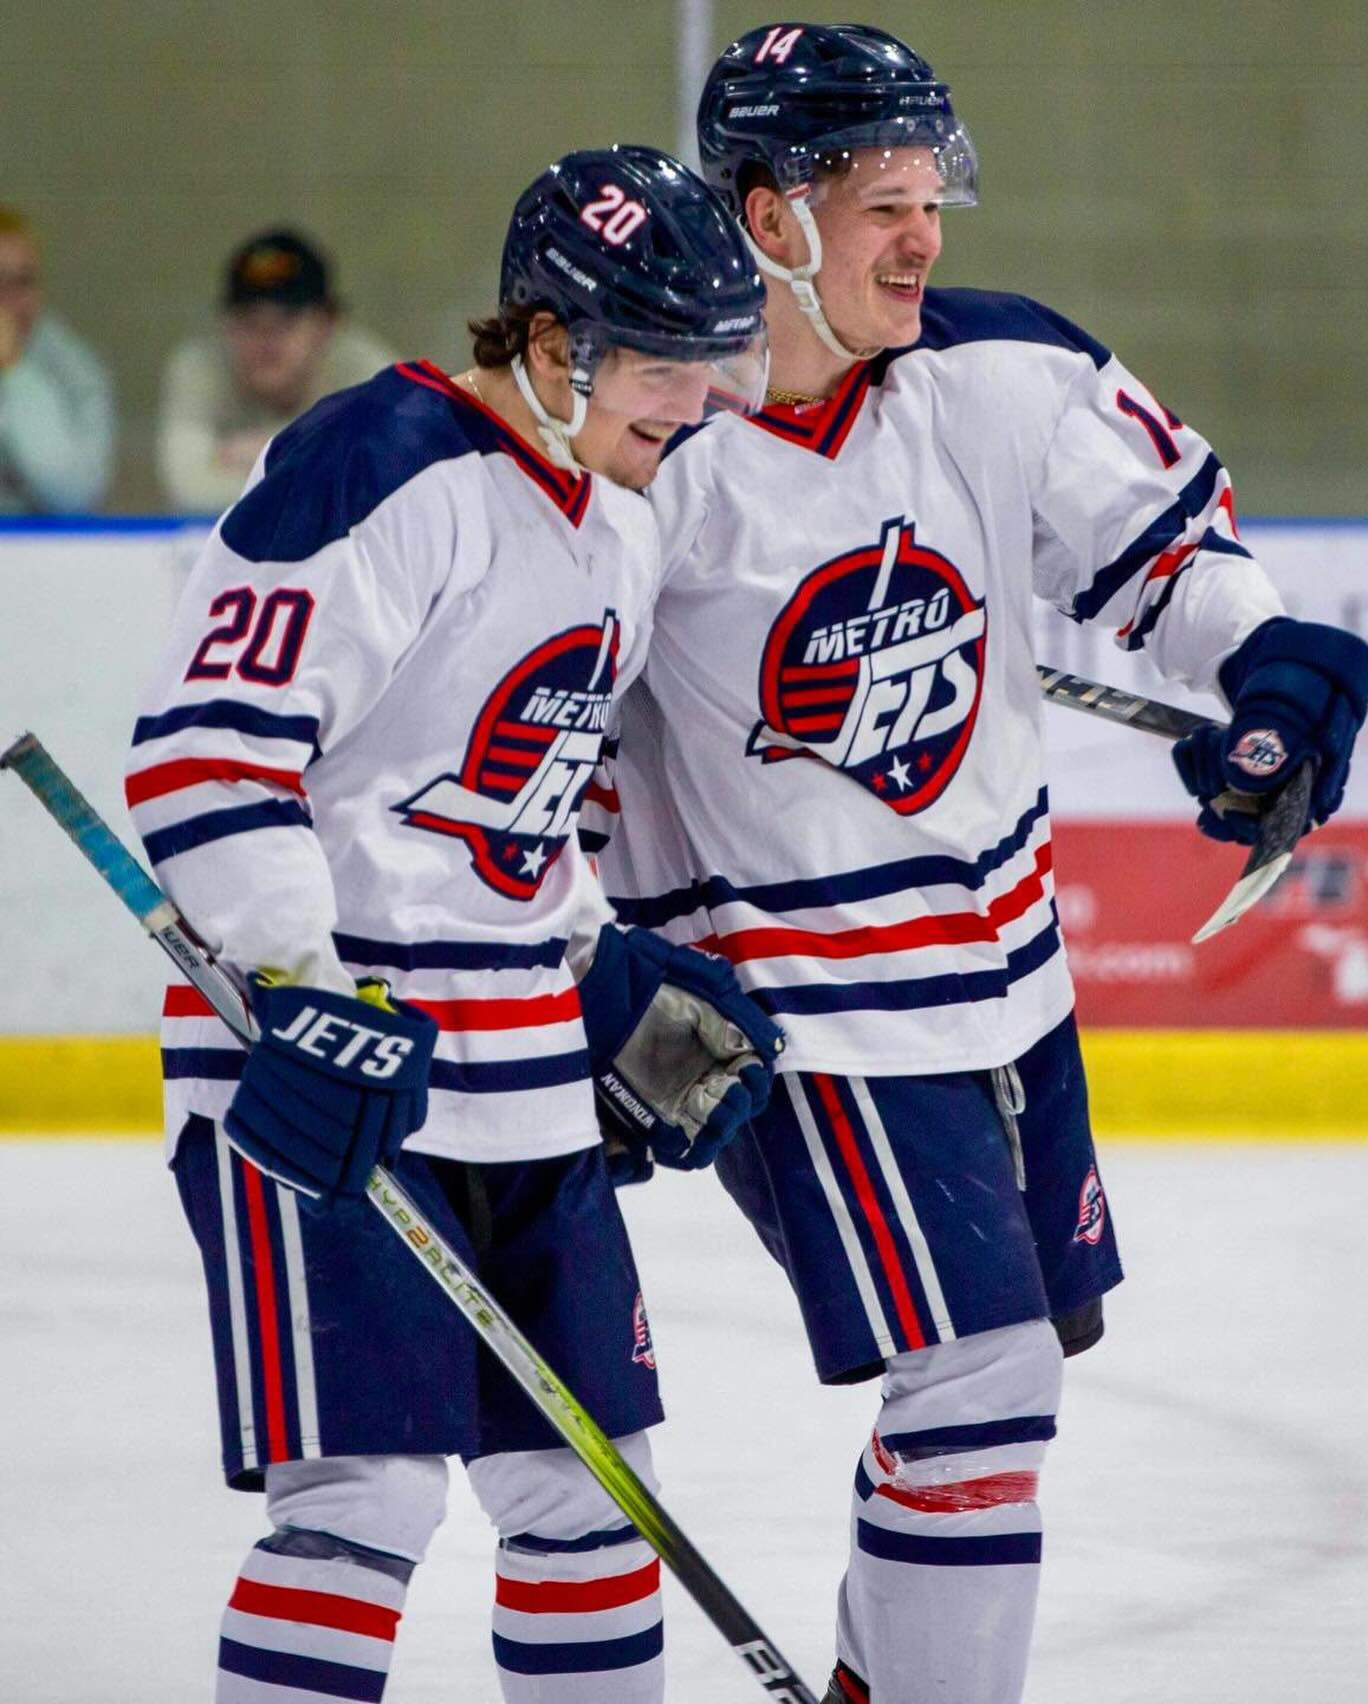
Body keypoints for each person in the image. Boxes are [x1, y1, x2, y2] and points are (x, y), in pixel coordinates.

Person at [590, 25, 1368, 1704]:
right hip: (795, 1012)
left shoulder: (1003, 368)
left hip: (1014, 986)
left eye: (929, 198)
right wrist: (584, 976)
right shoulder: (652, 451)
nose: (924, 235)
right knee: (983, 1376)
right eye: (882, 203)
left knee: (1008, 1383)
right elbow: (551, 743)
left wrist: (1273, 670)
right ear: (765, 216)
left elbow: (1168, 556)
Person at [126, 144, 778, 1704]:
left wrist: (593, 962)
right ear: (557, 344)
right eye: (668, 367)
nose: (697, 406)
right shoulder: (379, 462)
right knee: (364, 1502)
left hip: (519, 1080)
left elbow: (510, 816)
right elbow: (208, 746)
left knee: (592, 1497)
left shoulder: (616, 527)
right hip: (325, 1074)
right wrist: (295, 984)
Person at [156, 227, 398, 514]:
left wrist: (270, 450)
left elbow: (383, 487)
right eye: (249, 321)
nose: (265, 340)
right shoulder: (199, 369)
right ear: (225, 324)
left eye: (286, 321)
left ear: (328, 324)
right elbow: (190, 491)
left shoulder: (368, 373)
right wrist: (320, 458)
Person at [0, 205, 114, 513]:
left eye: (23, 282)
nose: (9, 301)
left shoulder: (74, 368)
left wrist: (15, 370)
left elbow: (75, 494)